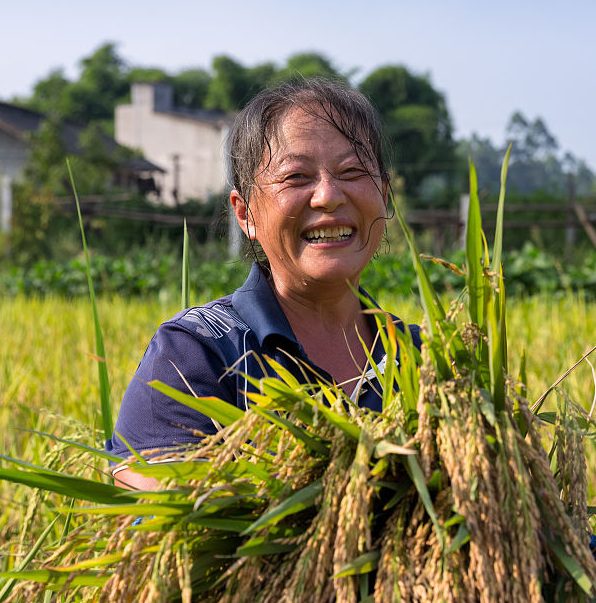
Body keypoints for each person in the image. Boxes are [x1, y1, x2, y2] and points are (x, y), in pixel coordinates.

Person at [106, 79, 406, 491]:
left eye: (352, 171)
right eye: (297, 176)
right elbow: (156, 510)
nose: (328, 196)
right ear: (245, 213)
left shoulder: (423, 360)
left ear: (384, 196)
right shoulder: (196, 352)